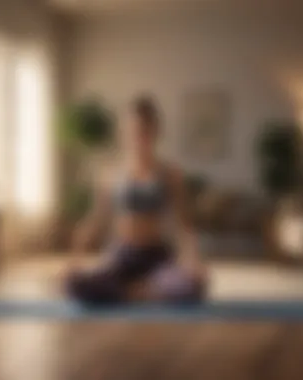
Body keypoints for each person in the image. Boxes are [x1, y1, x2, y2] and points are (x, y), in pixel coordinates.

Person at [66, 96, 208, 305]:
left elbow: (183, 224)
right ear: (123, 132)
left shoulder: (170, 174)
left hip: (158, 256)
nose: (137, 137)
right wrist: (74, 260)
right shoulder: (110, 173)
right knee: (74, 285)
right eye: (132, 130)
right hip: (122, 256)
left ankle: (130, 291)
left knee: (193, 287)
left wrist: (194, 262)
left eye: (144, 130)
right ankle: (140, 291)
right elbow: (95, 220)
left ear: (155, 132)